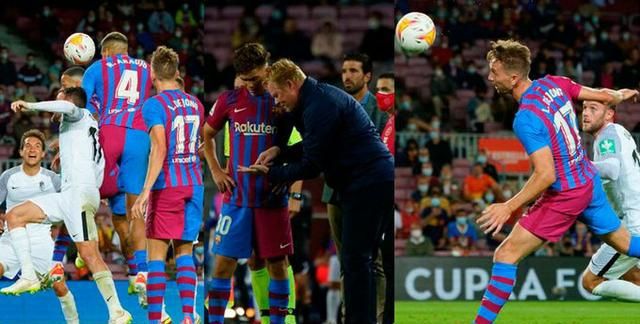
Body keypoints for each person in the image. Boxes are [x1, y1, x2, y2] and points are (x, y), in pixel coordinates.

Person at [474, 39, 640, 323]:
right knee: (627, 245)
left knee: (506, 254)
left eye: (494, 71)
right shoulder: (554, 83)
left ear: (513, 78)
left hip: (566, 193)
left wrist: (508, 206)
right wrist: (620, 95)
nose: (490, 77)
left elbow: (546, 174)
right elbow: (601, 94)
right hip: (588, 182)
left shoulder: (526, 118)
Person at [247, 59, 394, 324]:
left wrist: (273, 174)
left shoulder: (319, 106)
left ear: (291, 84)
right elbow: (312, 146)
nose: (276, 101)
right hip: (363, 181)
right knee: (359, 260)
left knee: (356, 259)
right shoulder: (315, 100)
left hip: (368, 182)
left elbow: (312, 164)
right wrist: (280, 151)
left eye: (277, 95)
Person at [5, 88, 131, 323]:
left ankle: (117, 311)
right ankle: (30, 275)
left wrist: (30, 105)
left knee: (89, 255)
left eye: (59, 96)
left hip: (78, 196)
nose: (56, 101)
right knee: (15, 215)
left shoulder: (80, 114)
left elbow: (68, 107)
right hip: (73, 194)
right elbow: (99, 169)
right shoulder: (82, 131)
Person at [203, 43, 294, 324]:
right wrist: (217, 171)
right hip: (237, 199)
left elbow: (301, 146)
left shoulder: (282, 100)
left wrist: (287, 176)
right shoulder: (229, 99)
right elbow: (206, 136)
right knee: (221, 268)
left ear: (268, 67)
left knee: (277, 266)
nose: (252, 84)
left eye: (256, 77)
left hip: (271, 199)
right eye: (246, 79)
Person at [132, 45, 204, 324]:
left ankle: (154, 320)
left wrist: (145, 191)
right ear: (176, 72)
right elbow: (198, 145)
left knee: (157, 257)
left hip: (168, 186)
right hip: (194, 184)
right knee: (185, 251)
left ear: (153, 73)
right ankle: (188, 317)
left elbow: (159, 148)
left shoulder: (153, 105)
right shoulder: (195, 103)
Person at [82, 31, 152, 304]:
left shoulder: (97, 67)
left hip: (110, 133)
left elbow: (84, 108)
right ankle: (140, 274)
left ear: (107, 52)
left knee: (84, 195)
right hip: (139, 137)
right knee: (131, 212)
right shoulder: (146, 68)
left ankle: (68, 255)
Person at [322, 52, 389, 323]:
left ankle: (378, 315)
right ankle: (352, 317)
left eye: (353, 70)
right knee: (346, 261)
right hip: (335, 193)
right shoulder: (333, 105)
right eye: (345, 70)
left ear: (367, 76)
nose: (347, 76)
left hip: (367, 194)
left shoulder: (380, 111)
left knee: (372, 261)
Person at [0, 129, 79, 323]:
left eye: (37, 146)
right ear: (20, 152)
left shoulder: (52, 179)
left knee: (59, 285)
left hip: (41, 241)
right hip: (11, 239)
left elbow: (71, 201)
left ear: (43, 153)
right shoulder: (8, 177)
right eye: (27, 145)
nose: (32, 149)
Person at [580, 99, 640, 301]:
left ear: (609, 114)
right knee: (634, 277)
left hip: (631, 223)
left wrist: (576, 166)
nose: (585, 113)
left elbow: (611, 169)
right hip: (633, 215)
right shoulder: (620, 132)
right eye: (584, 108)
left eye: (593, 109)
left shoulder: (607, 135)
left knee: (591, 281)